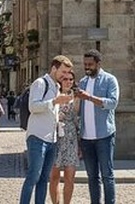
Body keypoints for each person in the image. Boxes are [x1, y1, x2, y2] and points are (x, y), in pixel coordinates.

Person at [20, 55, 74, 204]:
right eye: (63, 72)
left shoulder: (57, 87)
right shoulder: (40, 83)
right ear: (54, 68)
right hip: (37, 137)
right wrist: (55, 101)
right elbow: (33, 107)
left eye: (67, 72)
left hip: (52, 139)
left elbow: (52, 112)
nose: (65, 76)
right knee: (33, 176)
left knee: (44, 178)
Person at [76, 49, 119, 204]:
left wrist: (89, 97)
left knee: (107, 175)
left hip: (104, 136)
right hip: (86, 138)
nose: (87, 67)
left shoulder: (110, 80)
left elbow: (113, 103)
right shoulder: (82, 82)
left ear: (98, 64)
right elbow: (78, 111)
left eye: (90, 64)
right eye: (85, 64)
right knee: (92, 176)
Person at [50, 72, 80, 204]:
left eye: (71, 79)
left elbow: (79, 120)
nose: (68, 81)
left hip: (71, 139)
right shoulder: (54, 95)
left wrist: (80, 143)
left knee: (70, 177)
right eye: (65, 79)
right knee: (54, 177)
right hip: (55, 138)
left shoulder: (77, 97)